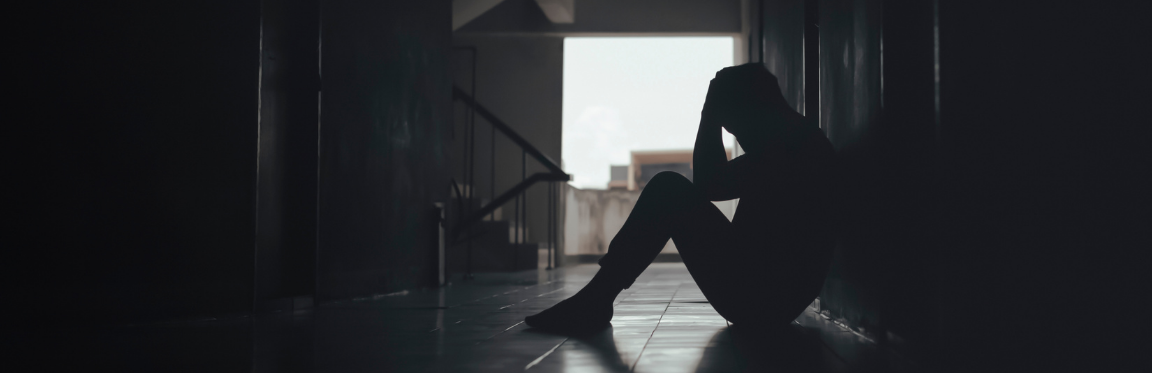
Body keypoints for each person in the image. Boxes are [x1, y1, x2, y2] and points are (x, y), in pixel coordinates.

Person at [525, 63, 840, 333]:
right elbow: (713, 186)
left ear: (752, 109)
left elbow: (709, 184)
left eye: (734, 126)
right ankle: (596, 299)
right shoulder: (798, 141)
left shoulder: (791, 148)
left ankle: (595, 300)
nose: (739, 138)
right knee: (669, 190)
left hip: (761, 300)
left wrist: (709, 114)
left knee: (667, 189)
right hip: (768, 295)